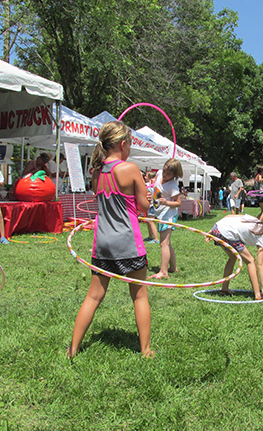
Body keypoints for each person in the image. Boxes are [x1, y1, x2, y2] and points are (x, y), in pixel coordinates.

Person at [67, 121, 153, 359]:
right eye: (131, 144)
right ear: (123, 144)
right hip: (128, 242)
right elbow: (143, 208)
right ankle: (145, 350)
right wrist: (148, 196)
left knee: (93, 296)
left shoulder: (96, 171)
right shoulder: (129, 169)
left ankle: (72, 349)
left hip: (102, 243)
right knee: (139, 295)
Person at [209, 214, 263, 301]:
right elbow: (260, 265)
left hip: (217, 228)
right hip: (227, 233)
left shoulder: (254, 220)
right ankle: (257, 294)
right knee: (251, 261)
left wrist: (213, 230)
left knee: (233, 258)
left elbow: (228, 216)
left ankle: (224, 289)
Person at [150, 158, 183, 280]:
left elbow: (178, 203)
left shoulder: (173, 186)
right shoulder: (159, 174)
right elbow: (157, 188)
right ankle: (173, 267)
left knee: (164, 243)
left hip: (168, 215)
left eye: (168, 173)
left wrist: (166, 202)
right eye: (164, 170)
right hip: (160, 214)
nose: (165, 174)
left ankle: (163, 272)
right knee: (167, 243)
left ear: (175, 174)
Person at [143, 171, 159, 244]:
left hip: (152, 205)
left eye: (146, 176)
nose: (144, 177)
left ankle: (156, 238)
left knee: (151, 222)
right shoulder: (156, 185)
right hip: (153, 205)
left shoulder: (148, 185)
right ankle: (150, 236)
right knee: (148, 221)